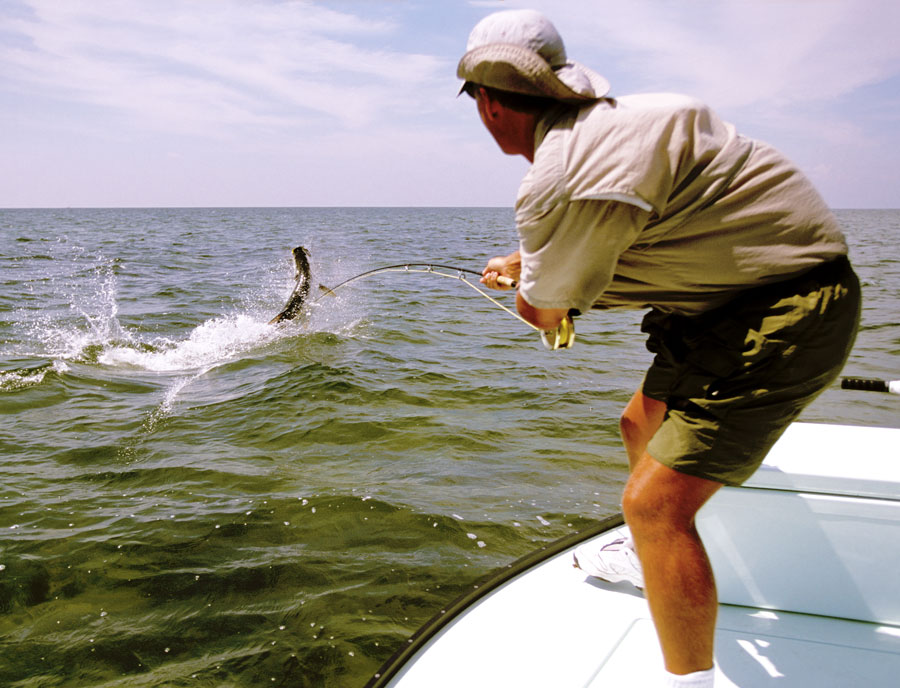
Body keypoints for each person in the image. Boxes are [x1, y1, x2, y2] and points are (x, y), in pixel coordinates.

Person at [458, 9, 861, 688]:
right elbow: (621, 216)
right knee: (639, 422)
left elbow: (545, 310)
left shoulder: (556, 179)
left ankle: (689, 675)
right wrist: (527, 259)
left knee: (653, 504)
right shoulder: (636, 118)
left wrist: (527, 283)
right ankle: (651, 559)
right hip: (721, 304)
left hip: (784, 312)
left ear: (491, 103)